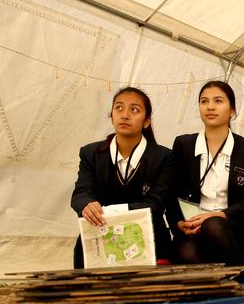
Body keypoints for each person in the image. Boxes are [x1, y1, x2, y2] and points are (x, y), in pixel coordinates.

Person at [71, 87, 175, 268]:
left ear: (147, 121)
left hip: (150, 239)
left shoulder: (163, 157)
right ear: (111, 115)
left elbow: (156, 205)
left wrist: (108, 211)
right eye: (119, 108)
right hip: (99, 238)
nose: (125, 115)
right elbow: (80, 194)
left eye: (134, 109)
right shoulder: (91, 153)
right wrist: (87, 205)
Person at [166, 81, 244, 265]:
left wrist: (218, 215)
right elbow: (171, 193)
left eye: (218, 101)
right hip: (192, 227)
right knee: (187, 254)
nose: (210, 107)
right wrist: (178, 223)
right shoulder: (184, 145)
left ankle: (236, 279)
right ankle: (225, 288)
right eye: (204, 101)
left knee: (213, 225)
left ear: (232, 110)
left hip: (233, 226)